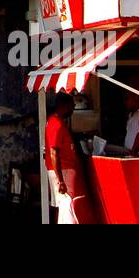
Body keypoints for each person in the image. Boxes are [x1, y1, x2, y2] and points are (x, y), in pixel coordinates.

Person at [45, 93, 92, 223]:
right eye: (72, 105)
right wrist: (60, 180)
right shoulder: (56, 124)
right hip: (63, 170)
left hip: (63, 170)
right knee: (67, 204)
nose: (73, 108)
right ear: (64, 106)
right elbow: (53, 152)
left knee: (63, 206)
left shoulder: (57, 122)